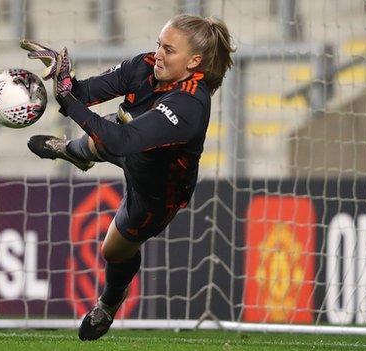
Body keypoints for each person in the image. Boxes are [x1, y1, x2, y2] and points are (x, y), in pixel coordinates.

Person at [20, 14, 235, 341]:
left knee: (113, 251)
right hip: (127, 139)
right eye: (159, 44)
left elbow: (120, 142)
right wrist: (64, 79)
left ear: (194, 61)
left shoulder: (191, 103)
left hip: (157, 188)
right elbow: (83, 93)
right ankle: (77, 150)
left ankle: (109, 303)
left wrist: (67, 99)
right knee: (113, 127)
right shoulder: (144, 66)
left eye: (169, 50)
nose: (158, 54)